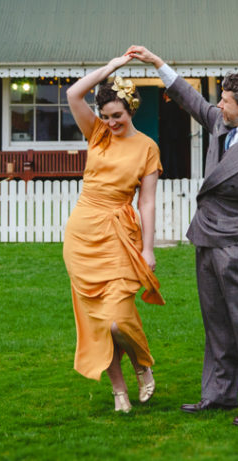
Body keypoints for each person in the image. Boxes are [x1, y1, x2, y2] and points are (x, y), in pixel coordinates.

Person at [129, 45, 238, 427]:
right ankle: (219, 394)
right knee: (216, 321)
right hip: (206, 238)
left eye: (225, 99)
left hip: (236, 249)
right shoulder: (223, 123)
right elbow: (190, 99)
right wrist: (156, 63)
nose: (218, 104)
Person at [62, 54, 163, 415]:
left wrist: (148, 249)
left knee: (118, 319)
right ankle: (118, 390)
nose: (110, 122)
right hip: (82, 233)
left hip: (120, 234)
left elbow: (147, 203)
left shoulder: (148, 148)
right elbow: (74, 94)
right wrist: (111, 69)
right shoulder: (97, 134)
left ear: (131, 109)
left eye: (117, 116)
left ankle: (141, 364)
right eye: (105, 116)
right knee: (98, 321)